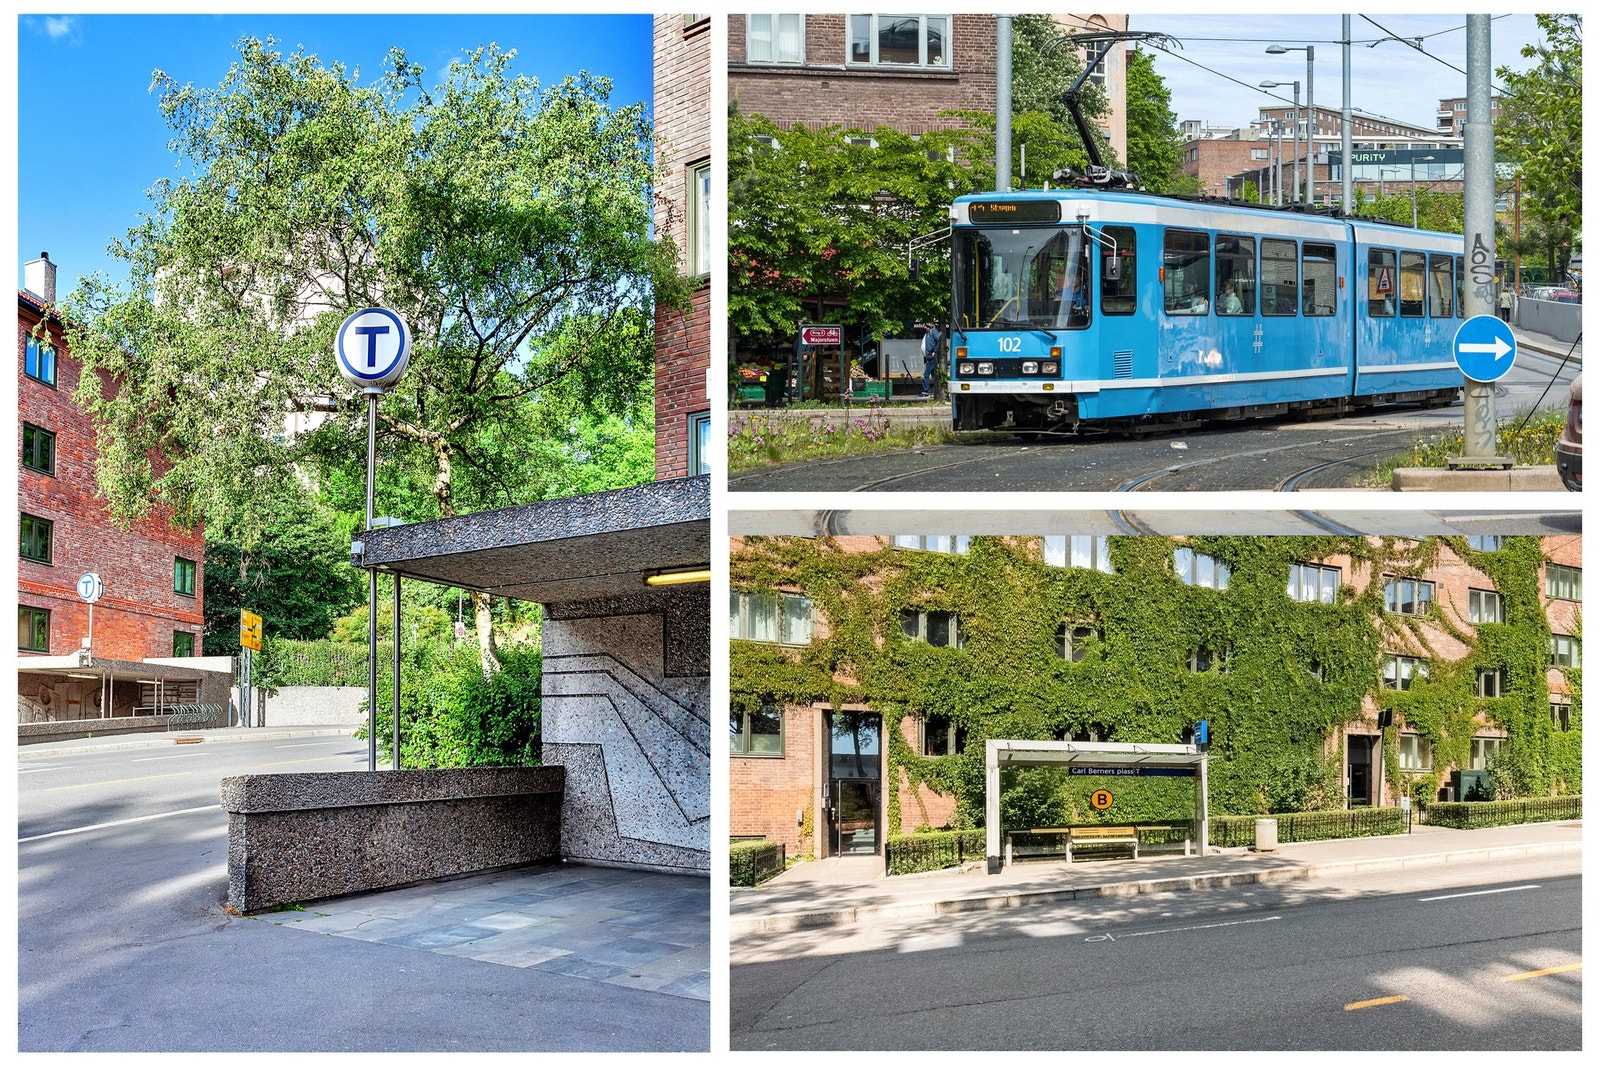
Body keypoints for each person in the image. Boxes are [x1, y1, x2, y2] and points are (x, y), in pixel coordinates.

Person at [920, 321, 941, 399]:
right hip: (929, 358)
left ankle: (925, 392)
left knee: (926, 374)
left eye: (925, 325)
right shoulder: (928, 333)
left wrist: (935, 351)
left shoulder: (933, 332)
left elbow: (939, 341)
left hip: (932, 358)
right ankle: (937, 391)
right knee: (934, 375)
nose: (924, 327)